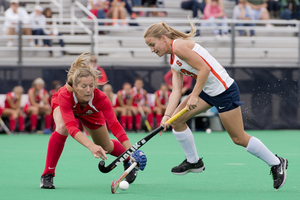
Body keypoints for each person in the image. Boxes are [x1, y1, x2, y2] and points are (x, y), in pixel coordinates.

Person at [143, 22, 288, 190]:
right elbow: (176, 90)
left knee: (238, 138)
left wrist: (194, 95)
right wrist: (167, 116)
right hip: (208, 90)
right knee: (177, 121)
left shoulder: (179, 46)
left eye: (152, 45)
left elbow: (204, 69)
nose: (152, 49)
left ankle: (277, 162)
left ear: (163, 38)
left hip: (224, 91)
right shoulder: (173, 58)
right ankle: (194, 162)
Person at [40, 52, 147, 189]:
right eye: (84, 86)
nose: (89, 90)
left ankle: (127, 160)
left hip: (90, 112)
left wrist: (131, 151)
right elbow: (72, 127)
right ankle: (47, 174)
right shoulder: (65, 95)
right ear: (74, 86)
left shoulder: (100, 98)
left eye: (91, 85)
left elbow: (114, 125)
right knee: (62, 128)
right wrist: (91, 146)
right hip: (67, 106)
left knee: (106, 146)